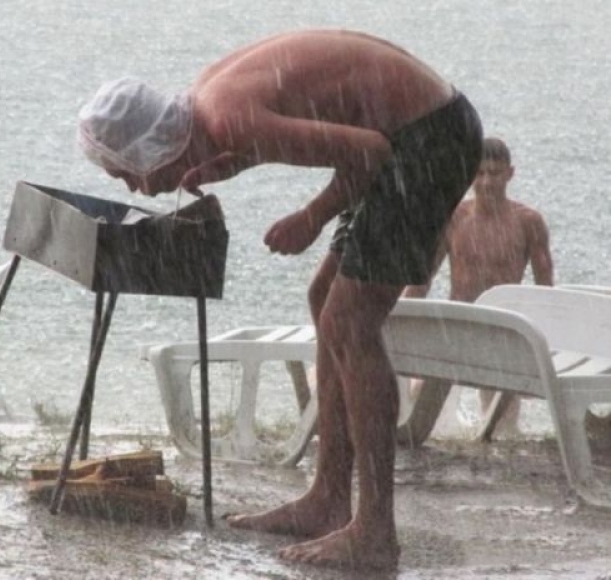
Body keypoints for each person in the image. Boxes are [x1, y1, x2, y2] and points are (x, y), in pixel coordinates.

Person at [77, 29, 483, 569]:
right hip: (410, 129)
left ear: (150, 147)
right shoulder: (208, 108)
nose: (133, 188)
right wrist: (239, 160)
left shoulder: (224, 119)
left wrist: (310, 219)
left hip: (429, 139)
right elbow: (316, 128)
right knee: (326, 301)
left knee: (350, 324)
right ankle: (327, 499)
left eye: (124, 172)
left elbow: (371, 153)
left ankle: (376, 531)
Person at [403, 137, 554, 434]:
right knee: (418, 396)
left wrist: (542, 347)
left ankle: (502, 451)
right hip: (456, 327)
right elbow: (423, 277)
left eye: (494, 173)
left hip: (502, 332)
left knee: (504, 431)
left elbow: (544, 291)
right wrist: (402, 318)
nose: (486, 182)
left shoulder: (528, 222)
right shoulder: (454, 217)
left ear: (510, 174)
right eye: (479, 173)